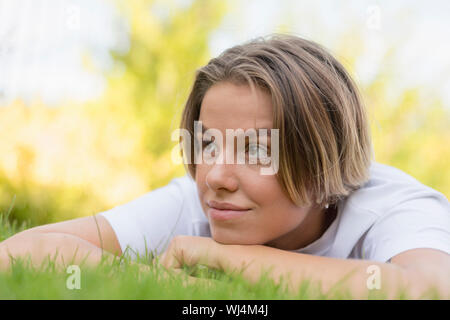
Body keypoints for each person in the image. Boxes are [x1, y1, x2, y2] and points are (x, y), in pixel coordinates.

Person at [0, 34, 449, 299]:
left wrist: (218, 256)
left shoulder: (395, 205)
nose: (215, 176)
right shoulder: (195, 204)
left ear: (321, 159)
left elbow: (429, 289)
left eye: (255, 150)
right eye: (208, 144)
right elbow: (23, 252)